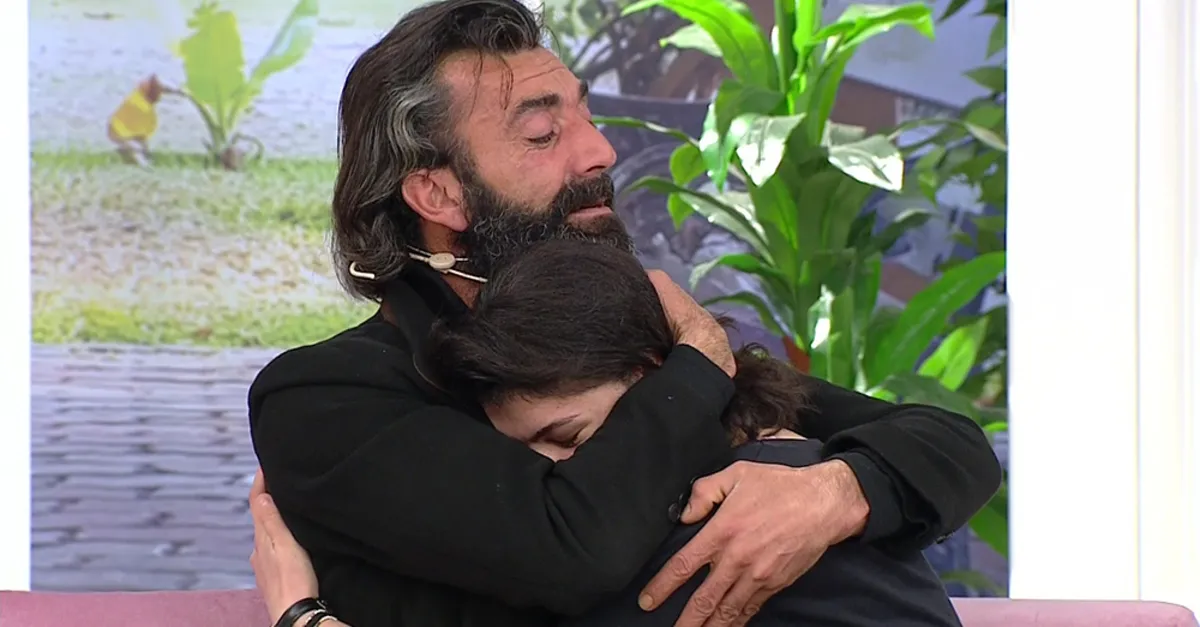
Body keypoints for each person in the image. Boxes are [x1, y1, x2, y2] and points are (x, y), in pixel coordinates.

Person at [248, 1, 1001, 626]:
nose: (600, 151)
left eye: (586, 117)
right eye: (542, 134)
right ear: (437, 194)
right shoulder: (326, 397)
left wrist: (831, 492)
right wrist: (698, 362)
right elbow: (570, 553)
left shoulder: (624, 334)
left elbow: (947, 445)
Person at [250, 241, 967, 627]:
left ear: (653, 376)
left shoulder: (727, 512)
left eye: (568, 436)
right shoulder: (742, 458)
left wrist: (304, 613)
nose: (556, 469)